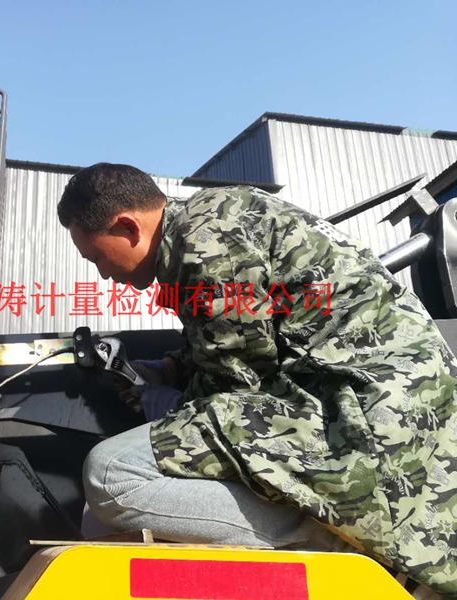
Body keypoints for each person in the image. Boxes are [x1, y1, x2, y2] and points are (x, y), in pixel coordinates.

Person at [57, 162, 457, 598]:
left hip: (357, 408)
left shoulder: (204, 243)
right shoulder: (208, 218)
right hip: (374, 394)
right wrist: (169, 370)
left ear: (127, 227)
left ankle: (342, 538)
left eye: (97, 257)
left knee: (111, 474)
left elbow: (237, 380)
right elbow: (240, 337)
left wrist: (164, 404)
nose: (103, 274)